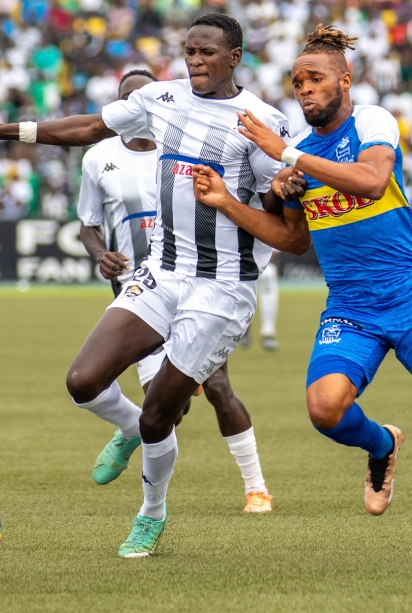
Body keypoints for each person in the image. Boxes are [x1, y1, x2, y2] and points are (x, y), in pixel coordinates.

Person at [0, 13, 301, 558]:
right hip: (160, 273)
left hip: (220, 290)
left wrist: (278, 188)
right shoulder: (161, 98)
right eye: (189, 51)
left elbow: (283, 220)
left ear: (235, 57)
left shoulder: (260, 120)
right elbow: (90, 128)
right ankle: (132, 430)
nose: (195, 61)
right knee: (83, 381)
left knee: (164, 409)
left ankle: (151, 513)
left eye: (207, 52)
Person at [191, 24, 412, 564]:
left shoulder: (371, 121)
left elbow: (369, 181)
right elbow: (293, 240)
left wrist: (289, 154)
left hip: (409, 295)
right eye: (297, 82)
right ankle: (382, 446)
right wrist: (229, 201)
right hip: (350, 306)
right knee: (324, 409)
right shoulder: (298, 158)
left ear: (345, 80)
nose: (305, 90)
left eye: (315, 78)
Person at [76, 69, 274, 511]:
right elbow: (88, 224)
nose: (137, 106)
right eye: (129, 99)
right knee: (161, 409)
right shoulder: (99, 159)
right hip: (141, 288)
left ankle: (255, 486)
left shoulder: (181, 141)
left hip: (203, 285)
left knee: (219, 387)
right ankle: (132, 432)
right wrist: (99, 252)